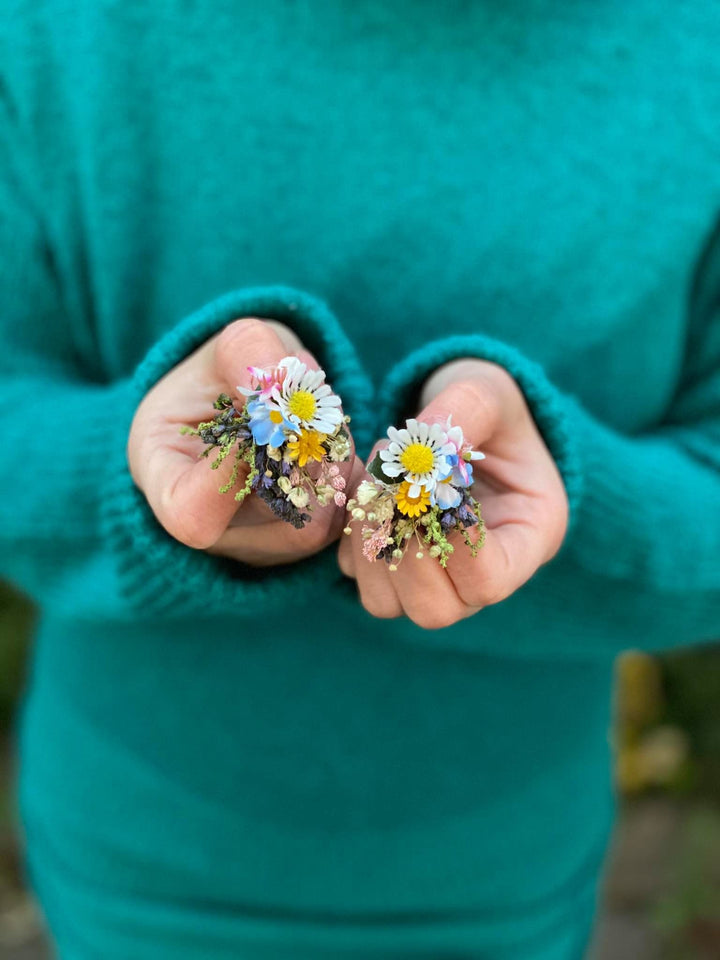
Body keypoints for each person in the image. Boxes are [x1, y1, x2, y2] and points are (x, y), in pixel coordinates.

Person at [0, 2, 718, 957]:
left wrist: (566, 497)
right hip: (137, 857)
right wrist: (138, 472)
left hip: (506, 873)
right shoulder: (53, 29)